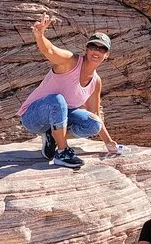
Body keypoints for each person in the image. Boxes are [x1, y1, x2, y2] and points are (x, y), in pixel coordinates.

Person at [17, 13, 118, 168]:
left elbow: (95, 113)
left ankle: (53, 136)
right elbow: (50, 51)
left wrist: (109, 142)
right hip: (34, 117)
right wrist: (39, 35)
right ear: (87, 49)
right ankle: (62, 152)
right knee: (58, 101)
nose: (97, 51)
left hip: (59, 118)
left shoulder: (96, 81)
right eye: (93, 46)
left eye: (102, 48)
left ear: (107, 55)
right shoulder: (71, 62)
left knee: (94, 124)